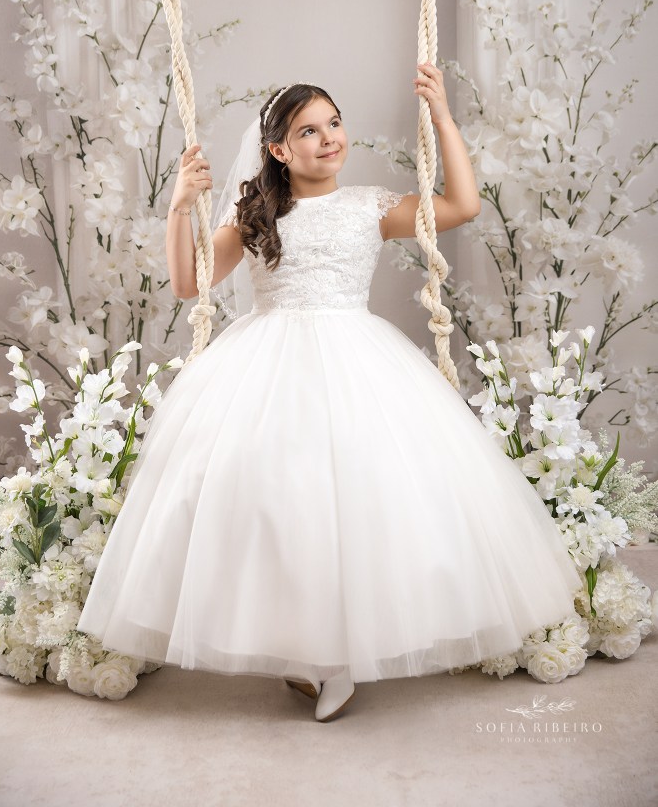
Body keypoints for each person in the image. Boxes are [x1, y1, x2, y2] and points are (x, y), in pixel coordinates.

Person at [77, 63, 581, 723]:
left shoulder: (368, 205)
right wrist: (179, 203)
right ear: (278, 151)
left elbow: (461, 205)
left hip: (355, 361)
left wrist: (444, 120)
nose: (328, 138)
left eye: (334, 124)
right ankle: (299, 643)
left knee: (362, 500)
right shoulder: (254, 217)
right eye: (308, 131)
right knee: (281, 502)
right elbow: (186, 282)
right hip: (266, 366)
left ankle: (338, 655)